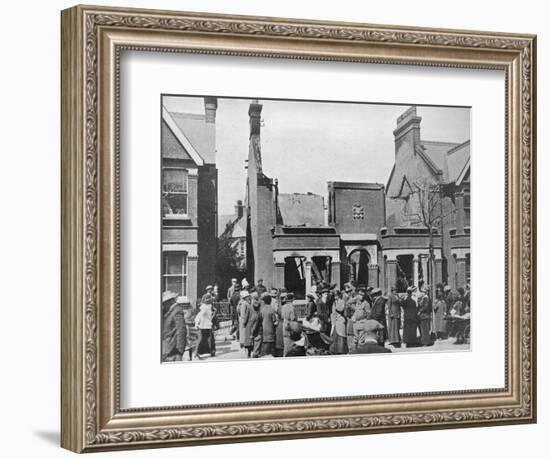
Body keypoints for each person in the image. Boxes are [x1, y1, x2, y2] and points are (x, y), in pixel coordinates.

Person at [162, 292, 187, 361]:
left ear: (169, 302)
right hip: (167, 348)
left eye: (164, 303)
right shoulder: (168, 311)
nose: (163, 305)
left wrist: (180, 351)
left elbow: (181, 330)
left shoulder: (177, 311)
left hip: (173, 351)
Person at [244, 292, 262, 358]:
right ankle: (255, 352)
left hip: (249, 324)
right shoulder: (260, 305)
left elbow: (246, 317)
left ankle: (249, 353)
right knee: (256, 340)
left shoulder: (249, 306)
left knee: (249, 340)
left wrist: (244, 324)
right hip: (258, 325)